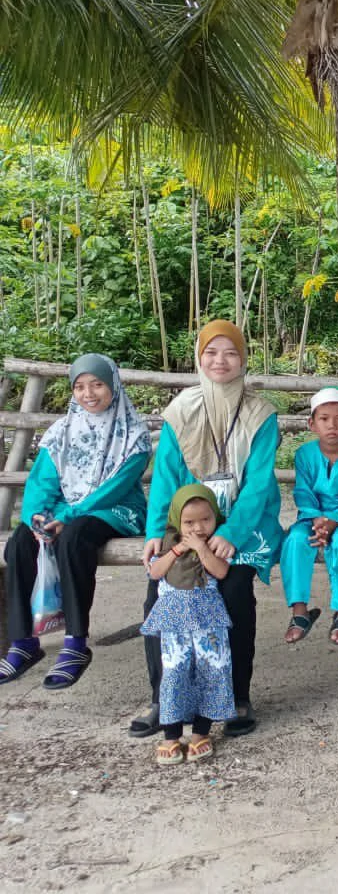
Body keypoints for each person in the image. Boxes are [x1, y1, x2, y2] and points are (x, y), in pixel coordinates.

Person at [131, 321, 282, 739]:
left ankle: (235, 697)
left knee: (232, 592)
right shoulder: (180, 411)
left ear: (244, 359)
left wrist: (231, 532)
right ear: (199, 358)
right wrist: (156, 535)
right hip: (189, 526)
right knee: (159, 595)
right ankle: (164, 698)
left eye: (230, 352)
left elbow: (260, 482)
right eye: (211, 352)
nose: (221, 361)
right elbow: (165, 479)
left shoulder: (261, 414)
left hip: (244, 527)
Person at [1, 354, 150, 689]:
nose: (89, 393)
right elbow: (42, 481)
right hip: (63, 510)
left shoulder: (132, 433)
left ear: (112, 384)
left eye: (97, 384)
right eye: (80, 386)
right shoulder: (62, 431)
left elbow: (116, 488)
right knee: (21, 542)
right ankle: (23, 642)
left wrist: (67, 517)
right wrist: (37, 516)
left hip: (114, 510)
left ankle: (75, 643)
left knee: (75, 537)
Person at [141, 485, 237, 765]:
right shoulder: (166, 541)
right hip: (174, 624)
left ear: (215, 518)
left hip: (208, 623)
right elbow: (155, 572)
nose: (198, 528)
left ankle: (200, 733)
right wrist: (178, 549)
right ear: (176, 521)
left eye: (205, 520)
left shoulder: (217, 542)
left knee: (212, 670)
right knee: (175, 672)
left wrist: (201, 548)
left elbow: (220, 570)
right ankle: (171, 735)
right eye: (189, 522)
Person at [279, 388, 338, 645]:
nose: (333, 425)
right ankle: (299, 611)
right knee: (295, 541)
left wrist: (333, 520)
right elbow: (303, 491)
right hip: (310, 518)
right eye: (324, 418)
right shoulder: (304, 454)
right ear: (312, 424)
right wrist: (318, 519)